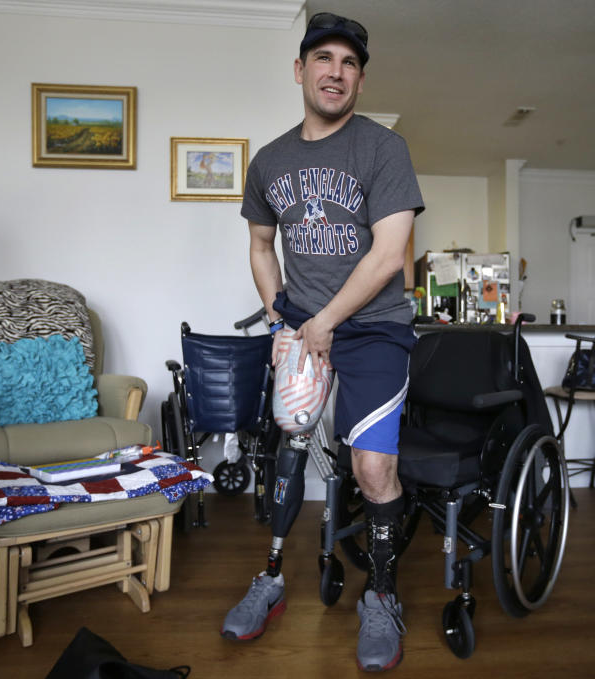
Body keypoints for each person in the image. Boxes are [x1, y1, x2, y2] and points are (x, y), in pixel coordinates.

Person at [219, 12, 425, 672]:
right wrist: (281, 314)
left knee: (372, 468)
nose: (335, 71)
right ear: (301, 69)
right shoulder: (270, 161)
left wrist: (324, 321)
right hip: (306, 327)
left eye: (349, 62)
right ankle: (272, 578)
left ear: (360, 79)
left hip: (373, 330)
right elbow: (259, 245)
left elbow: (390, 253)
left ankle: (383, 594)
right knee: (290, 441)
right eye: (323, 58)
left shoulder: (383, 149)